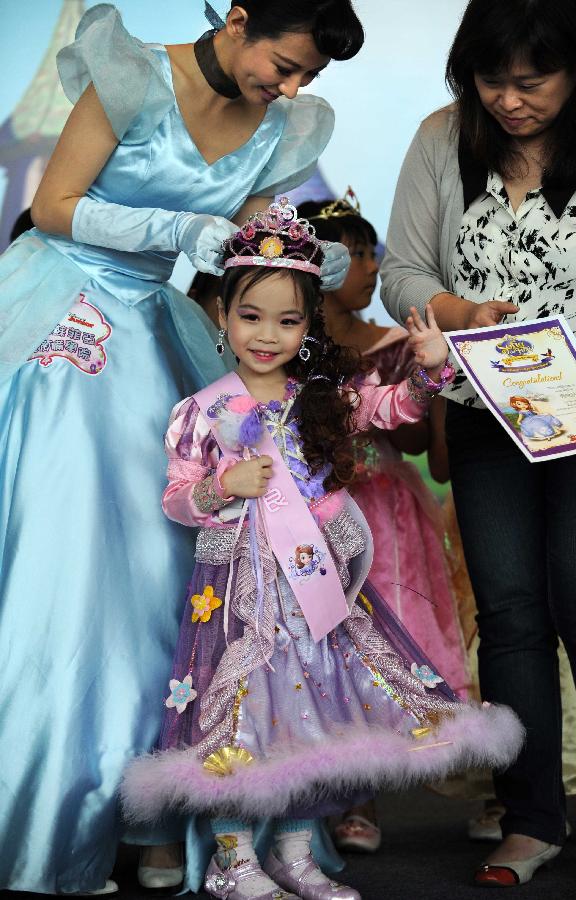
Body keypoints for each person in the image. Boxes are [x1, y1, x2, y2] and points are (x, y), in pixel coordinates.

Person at [0, 1, 363, 893]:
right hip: (71, 319)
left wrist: (309, 258)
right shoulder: (133, 73)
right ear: (238, 18)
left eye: (305, 77)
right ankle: (47, 813)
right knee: (74, 565)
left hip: (156, 327)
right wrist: (173, 231)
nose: (287, 87)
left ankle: (154, 820)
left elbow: (243, 252)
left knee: (177, 570)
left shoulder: (275, 125)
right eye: (284, 63)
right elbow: (52, 206)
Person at [121, 199, 523, 900]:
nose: (267, 334)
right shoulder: (202, 410)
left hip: (316, 593)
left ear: (309, 325)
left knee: (314, 717)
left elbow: (388, 409)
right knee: (239, 718)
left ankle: (297, 855)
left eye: (287, 319)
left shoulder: (322, 396)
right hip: (237, 602)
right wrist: (222, 483)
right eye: (250, 316)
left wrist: (429, 374)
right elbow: (175, 497)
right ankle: (233, 860)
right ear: (221, 314)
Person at [380, 0, 576, 885]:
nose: (508, 101)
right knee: (509, 613)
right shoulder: (441, 138)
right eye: (490, 81)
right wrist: (462, 314)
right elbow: (402, 272)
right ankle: (532, 818)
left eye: (531, 82)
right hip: (487, 408)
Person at [297, 194, 469, 853]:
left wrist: (426, 379)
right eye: (357, 252)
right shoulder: (286, 345)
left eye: (373, 251)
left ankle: (362, 799)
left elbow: (417, 436)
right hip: (307, 517)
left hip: (385, 516)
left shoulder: (394, 343)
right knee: (318, 649)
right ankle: (314, 795)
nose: (371, 265)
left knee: (379, 647)